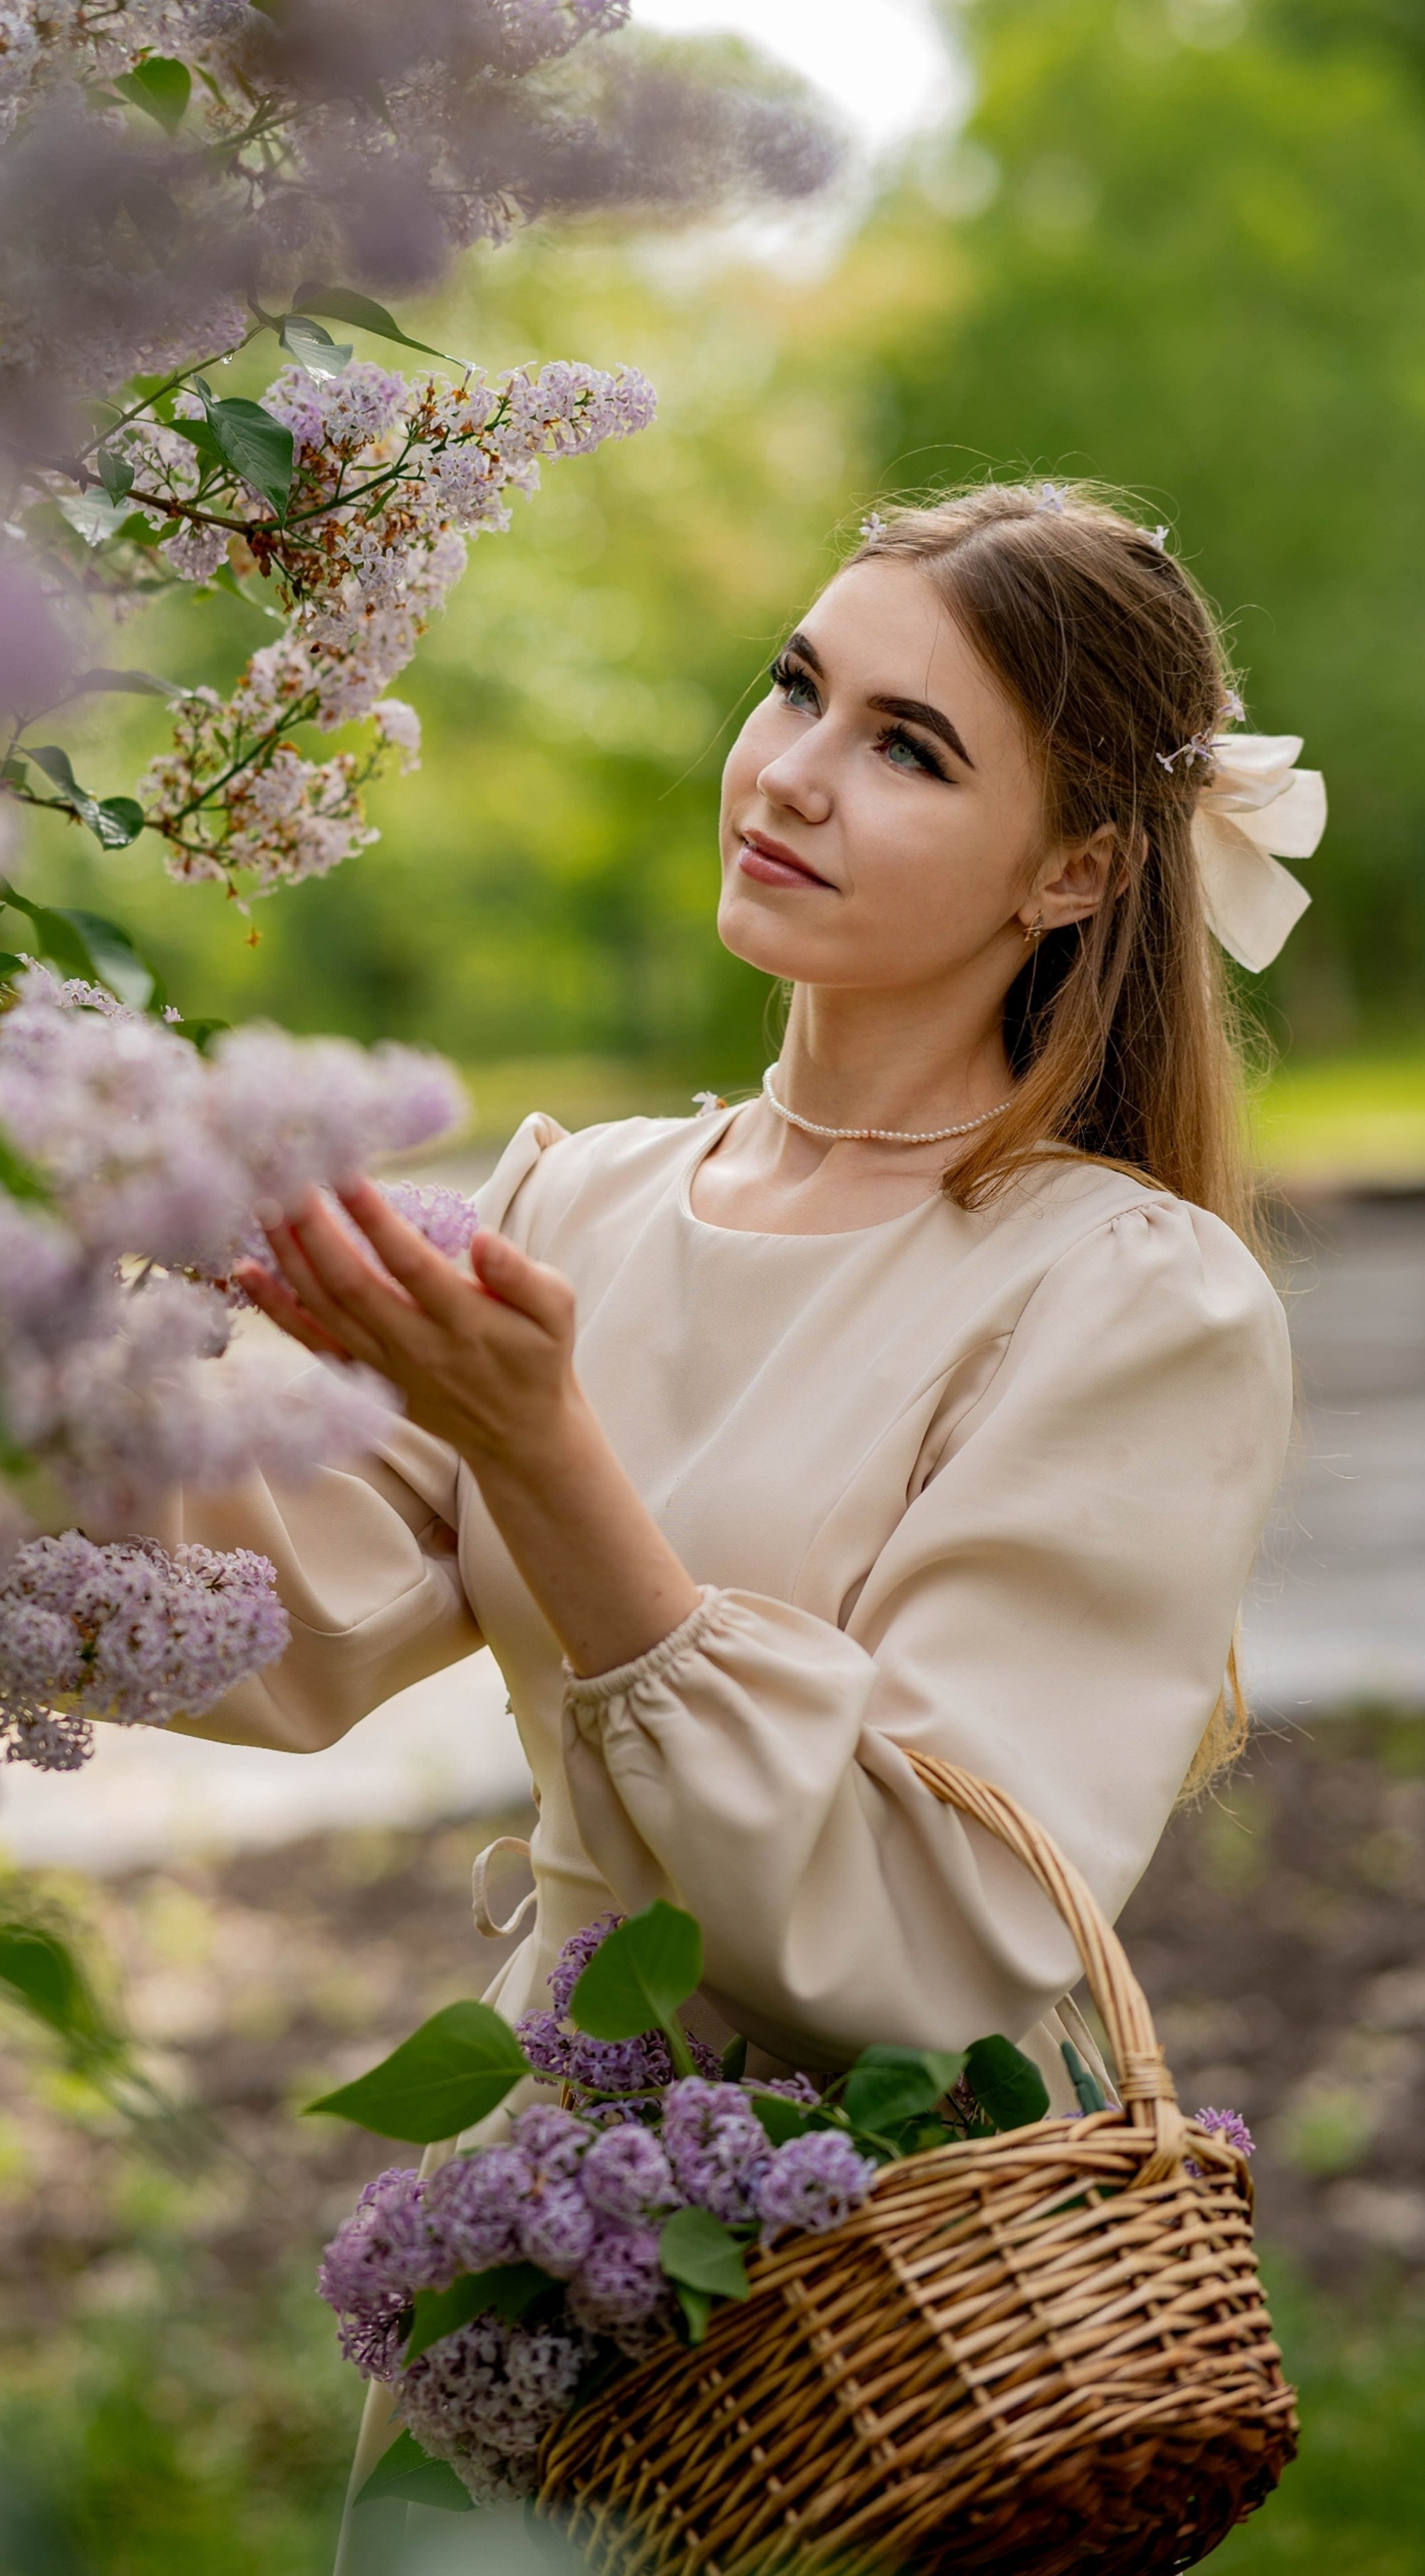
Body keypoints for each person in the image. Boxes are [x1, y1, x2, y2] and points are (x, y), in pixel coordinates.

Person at [159, 484, 1318, 2544]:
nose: (790, 770)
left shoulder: (1131, 1298)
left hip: (877, 2306)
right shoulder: (577, 1203)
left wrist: (543, 1443)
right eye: (801, 684)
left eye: (909, 744)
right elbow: (259, 1606)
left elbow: (939, 1933)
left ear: (1076, 868)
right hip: (543, 2244)